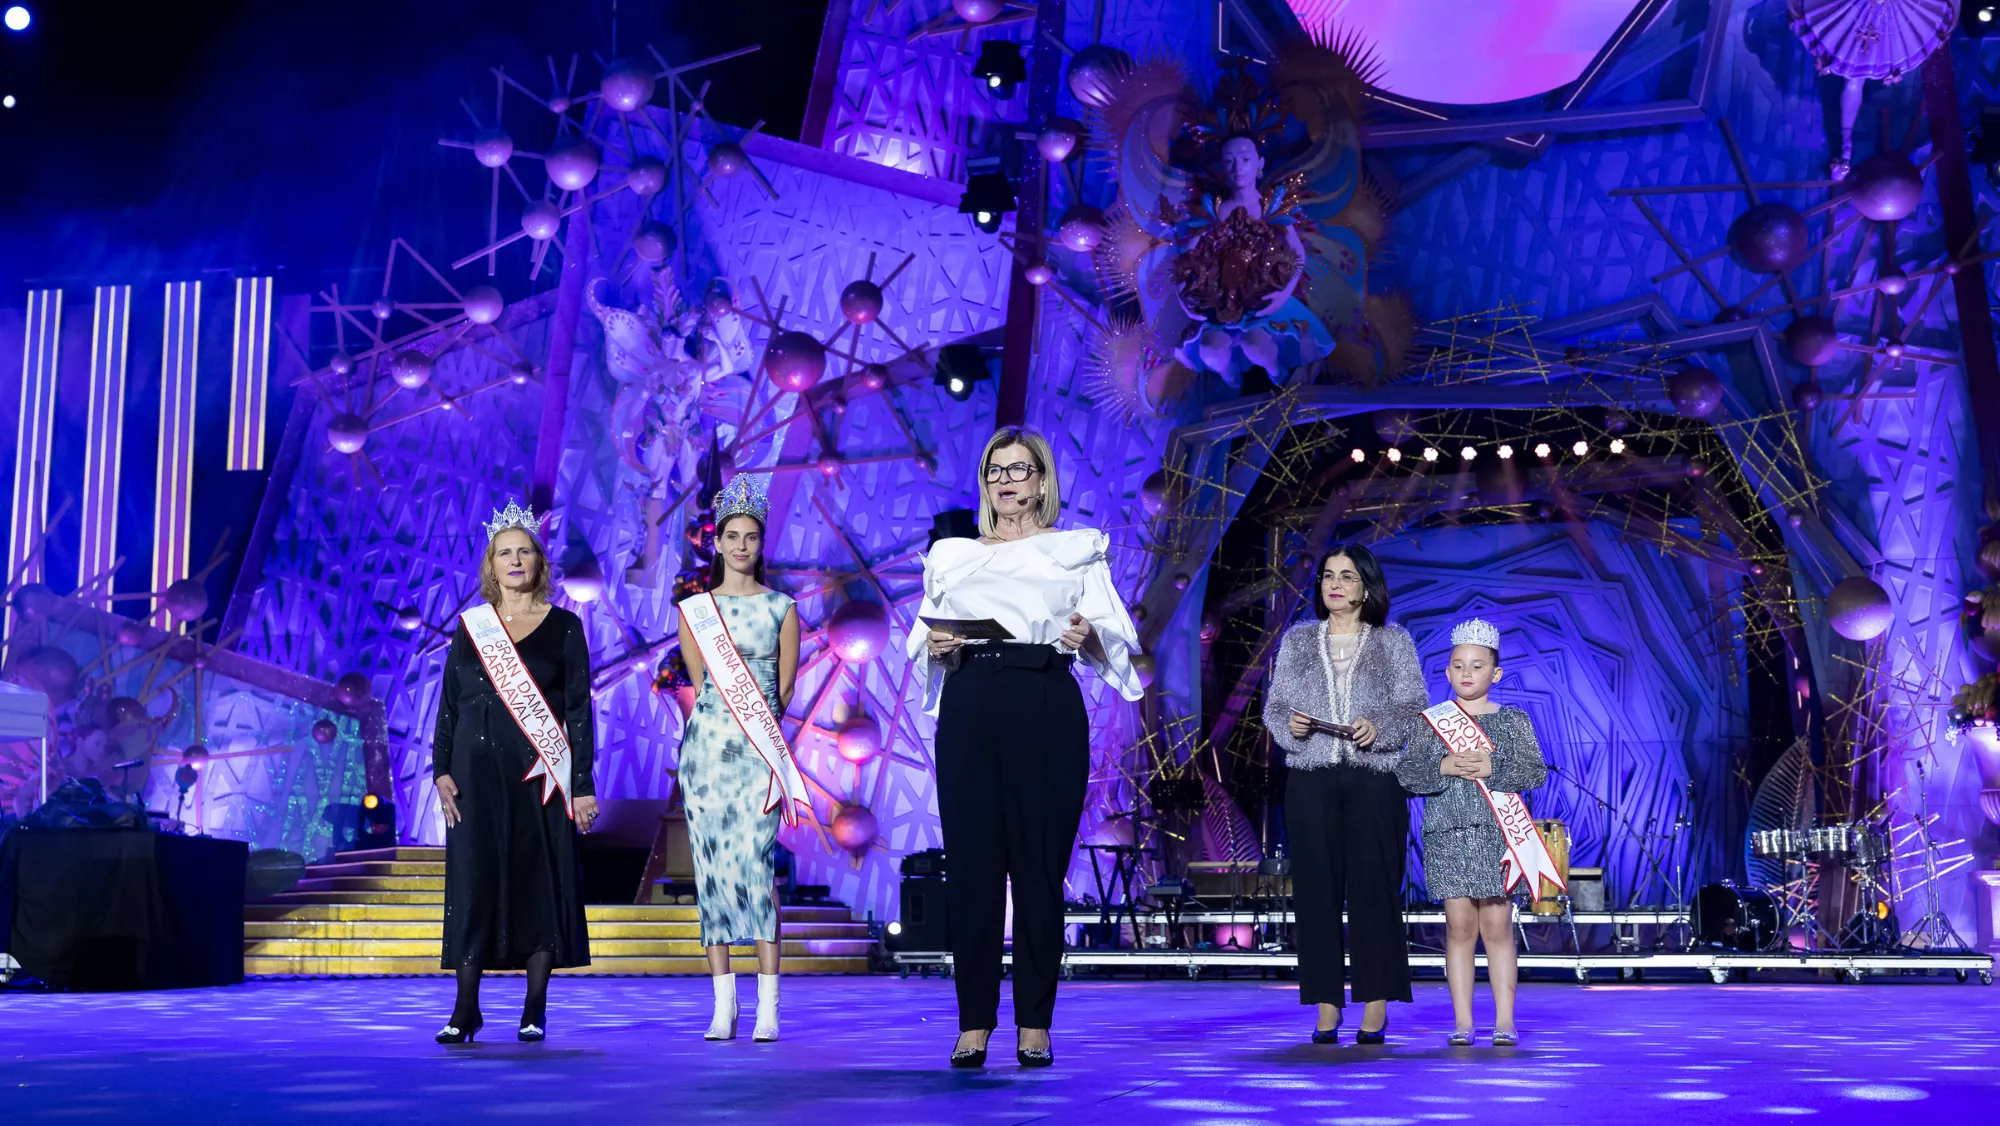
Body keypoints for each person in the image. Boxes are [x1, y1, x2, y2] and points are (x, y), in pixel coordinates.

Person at [908, 426, 1145, 1069]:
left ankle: (1035, 1020)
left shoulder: (1073, 550)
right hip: (970, 700)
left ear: (1042, 479)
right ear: (985, 483)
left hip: (1043, 698)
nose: (1007, 480)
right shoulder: (953, 555)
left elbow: (1112, 650)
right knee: (974, 868)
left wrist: (1084, 634)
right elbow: (923, 643)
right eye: (996, 471)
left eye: (1019, 469)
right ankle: (974, 1022)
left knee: (1038, 869)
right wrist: (936, 649)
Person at [431, 500, 598, 1044]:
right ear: (491, 565)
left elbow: (577, 711)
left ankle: (535, 1006)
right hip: (473, 777)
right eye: (505, 552)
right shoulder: (470, 627)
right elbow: (450, 704)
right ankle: (465, 1009)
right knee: (474, 882)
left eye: (525, 550)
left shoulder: (565, 628)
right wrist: (439, 771)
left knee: (539, 881)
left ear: (539, 561)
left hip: (539, 774)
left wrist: (582, 785)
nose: (516, 559)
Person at [1260, 543, 1425, 1044]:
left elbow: (1415, 708)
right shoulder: (1297, 641)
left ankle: (1376, 1003)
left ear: (1367, 587)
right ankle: (1326, 1003)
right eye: (1328, 575)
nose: (1334, 584)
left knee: (1375, 890)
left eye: (1347, 576)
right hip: (1311, 778)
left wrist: (1380, 725)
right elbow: (1274, 709)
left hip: (1374, 779)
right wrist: (1289, 726)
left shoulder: (1393, 642)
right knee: (1316, 893)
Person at [675, 474, 804, 1043]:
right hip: (707, 754)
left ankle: (769, 1005)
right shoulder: (696, 609)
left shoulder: (782, 607)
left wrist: (760, 737)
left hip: (758, 752)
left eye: (752, 536)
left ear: (761, 542)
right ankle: (722, 1004)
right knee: (711, 873)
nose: (742, 546)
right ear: (718, 542)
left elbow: (785, 688)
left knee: (755, 868)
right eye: (733, 535)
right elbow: (701, 684)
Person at [1397, 619, 1549, 1047]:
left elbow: (1535, 771)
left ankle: (1505, 1021)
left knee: (1497, 928)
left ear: (1495, 674)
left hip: (1497, 837)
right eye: (1458, 665)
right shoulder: (1433, 723)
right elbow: (1407, 773)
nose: (1467, 673)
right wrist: (1442, 766)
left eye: (1477, 665)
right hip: (1447, 836)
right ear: (1446, 673)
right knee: (1459, 928)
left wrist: (1493, 767)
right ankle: (1463, 1022)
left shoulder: (1513, 720)